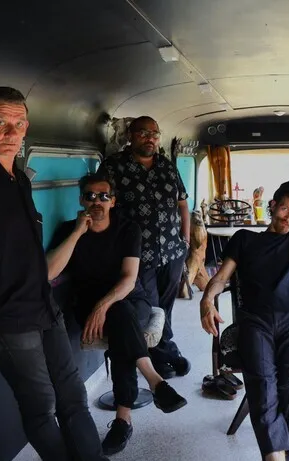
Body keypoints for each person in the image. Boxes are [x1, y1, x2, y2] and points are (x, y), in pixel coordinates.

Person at [0, 87, 107, 461]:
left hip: (42, 306)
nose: (12, 133)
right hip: (6, 317)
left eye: (19, 124)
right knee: (41, 406)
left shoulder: (19, 180)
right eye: (1, 123)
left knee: (72, 395)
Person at [46, 173, 187, 456]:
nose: (97, 202)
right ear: (81, 200)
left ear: (113, 201)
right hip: (88, 304)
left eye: (104, 196)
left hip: (130, 298)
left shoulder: (127, 229)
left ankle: (125, 419)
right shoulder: (68, 230)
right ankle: (152, 385)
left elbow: (128, 279)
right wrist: (77, 233)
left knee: (121, 314)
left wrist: (103, 306)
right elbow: (48, 272)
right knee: (122, 323)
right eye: (90, 196)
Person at [200, 181, 289, 461]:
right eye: (285, 209)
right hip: (255, 322)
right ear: (272, 205)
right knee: (262, 386)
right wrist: (207, 298)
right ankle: (274, 456)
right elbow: (221, 277)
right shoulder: (244, 239)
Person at [98, 116, 191, 379]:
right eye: (143, 133)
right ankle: (162, 356)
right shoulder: (113, 167)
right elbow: (103, 206)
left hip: (172, 251)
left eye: (154, 133)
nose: (150, 138)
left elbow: (182, 203)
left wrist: (185, 241)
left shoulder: (167, 166)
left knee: (166, 306)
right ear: (130, 135)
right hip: (137, 253)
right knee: (150, 307)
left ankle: (165, 347)